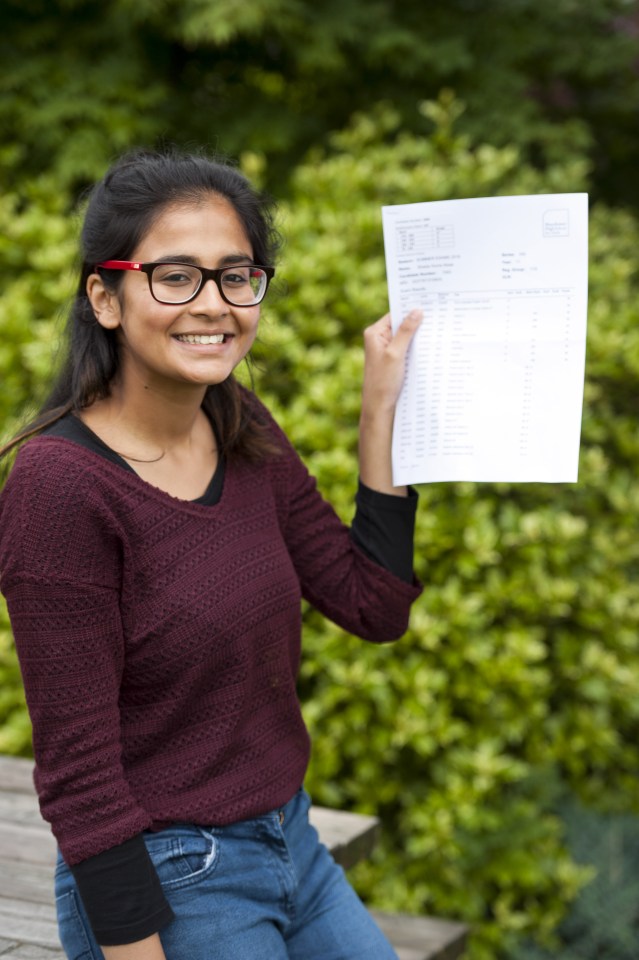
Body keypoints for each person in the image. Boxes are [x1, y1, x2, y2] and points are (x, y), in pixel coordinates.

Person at [0, 149, 422, 960]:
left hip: (290, 841)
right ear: (106, 296)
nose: (215, 304)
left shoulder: (239, 423)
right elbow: (79, 781)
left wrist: (382, 418)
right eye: (175, 276)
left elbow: (371, 603)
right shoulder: (60, 489)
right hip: (171, 874)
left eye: (236, 276)